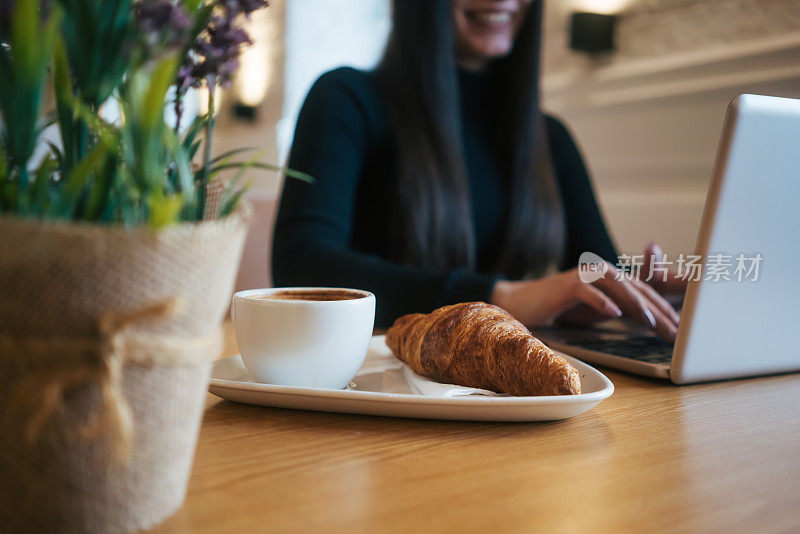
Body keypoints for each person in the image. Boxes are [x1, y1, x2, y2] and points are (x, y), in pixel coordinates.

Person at [272, 0, 684, 339]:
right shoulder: (346, 100)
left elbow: (595, 268)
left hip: (502, 390)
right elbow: (302, 265)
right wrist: (498, 296)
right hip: (379, 379)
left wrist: (640, 294)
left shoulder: (548, 137)